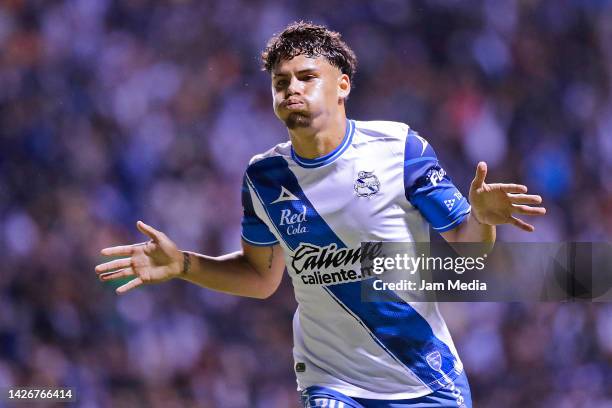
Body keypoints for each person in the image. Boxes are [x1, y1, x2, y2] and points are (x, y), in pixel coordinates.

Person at [95, 21, 546, 408]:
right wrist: (185, 266)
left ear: (343, 84)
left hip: (423, 377)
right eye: (280, 81)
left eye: (307, 77)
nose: (291, 88)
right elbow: (260, 276)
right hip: (332, 382)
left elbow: (470, 245)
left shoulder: (399, 149)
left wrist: (482, 218)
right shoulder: (264, 177)